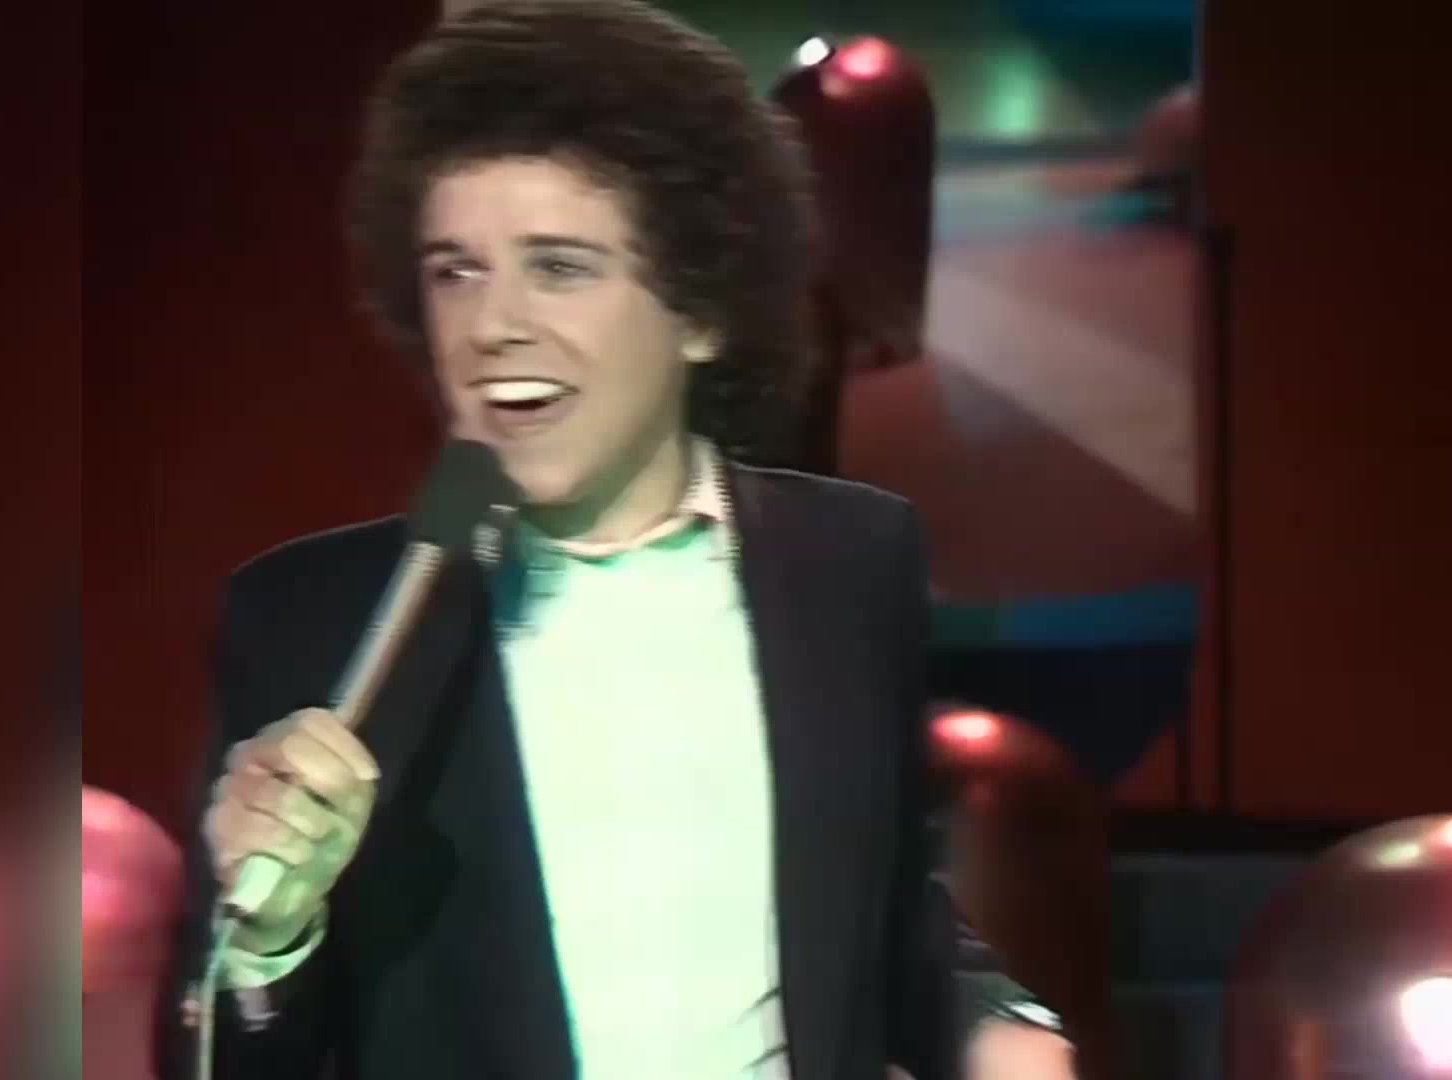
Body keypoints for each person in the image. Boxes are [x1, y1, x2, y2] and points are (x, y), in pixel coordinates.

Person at [153, 4, 1066, 1078]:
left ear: (700, 311)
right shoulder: (314, 626)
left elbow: (884, 912)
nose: (492, 327)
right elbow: (219, 1048)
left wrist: (1000, 1024)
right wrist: (269, 938)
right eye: (456, 271)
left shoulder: (850, 562)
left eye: (559, 266)